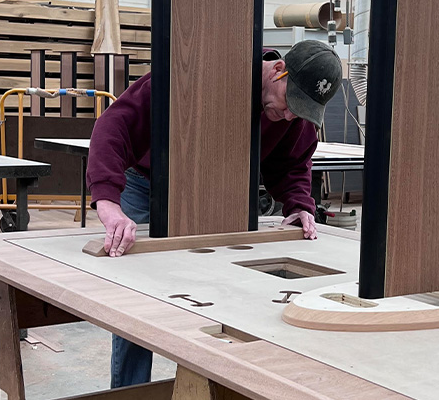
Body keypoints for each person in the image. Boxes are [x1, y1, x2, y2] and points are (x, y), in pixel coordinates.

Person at [85, 40, 343, 387]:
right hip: (149, 184)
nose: (290, 116)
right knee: (137, 296)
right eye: (290, 104)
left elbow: (294, 161)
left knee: (225, 294)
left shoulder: (292, 115)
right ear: (278, 70)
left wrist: (298, 204)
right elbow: (113, 127)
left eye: (301, 111)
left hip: (222, 195)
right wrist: (108, 201)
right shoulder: (203, 74)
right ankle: (130, 392)